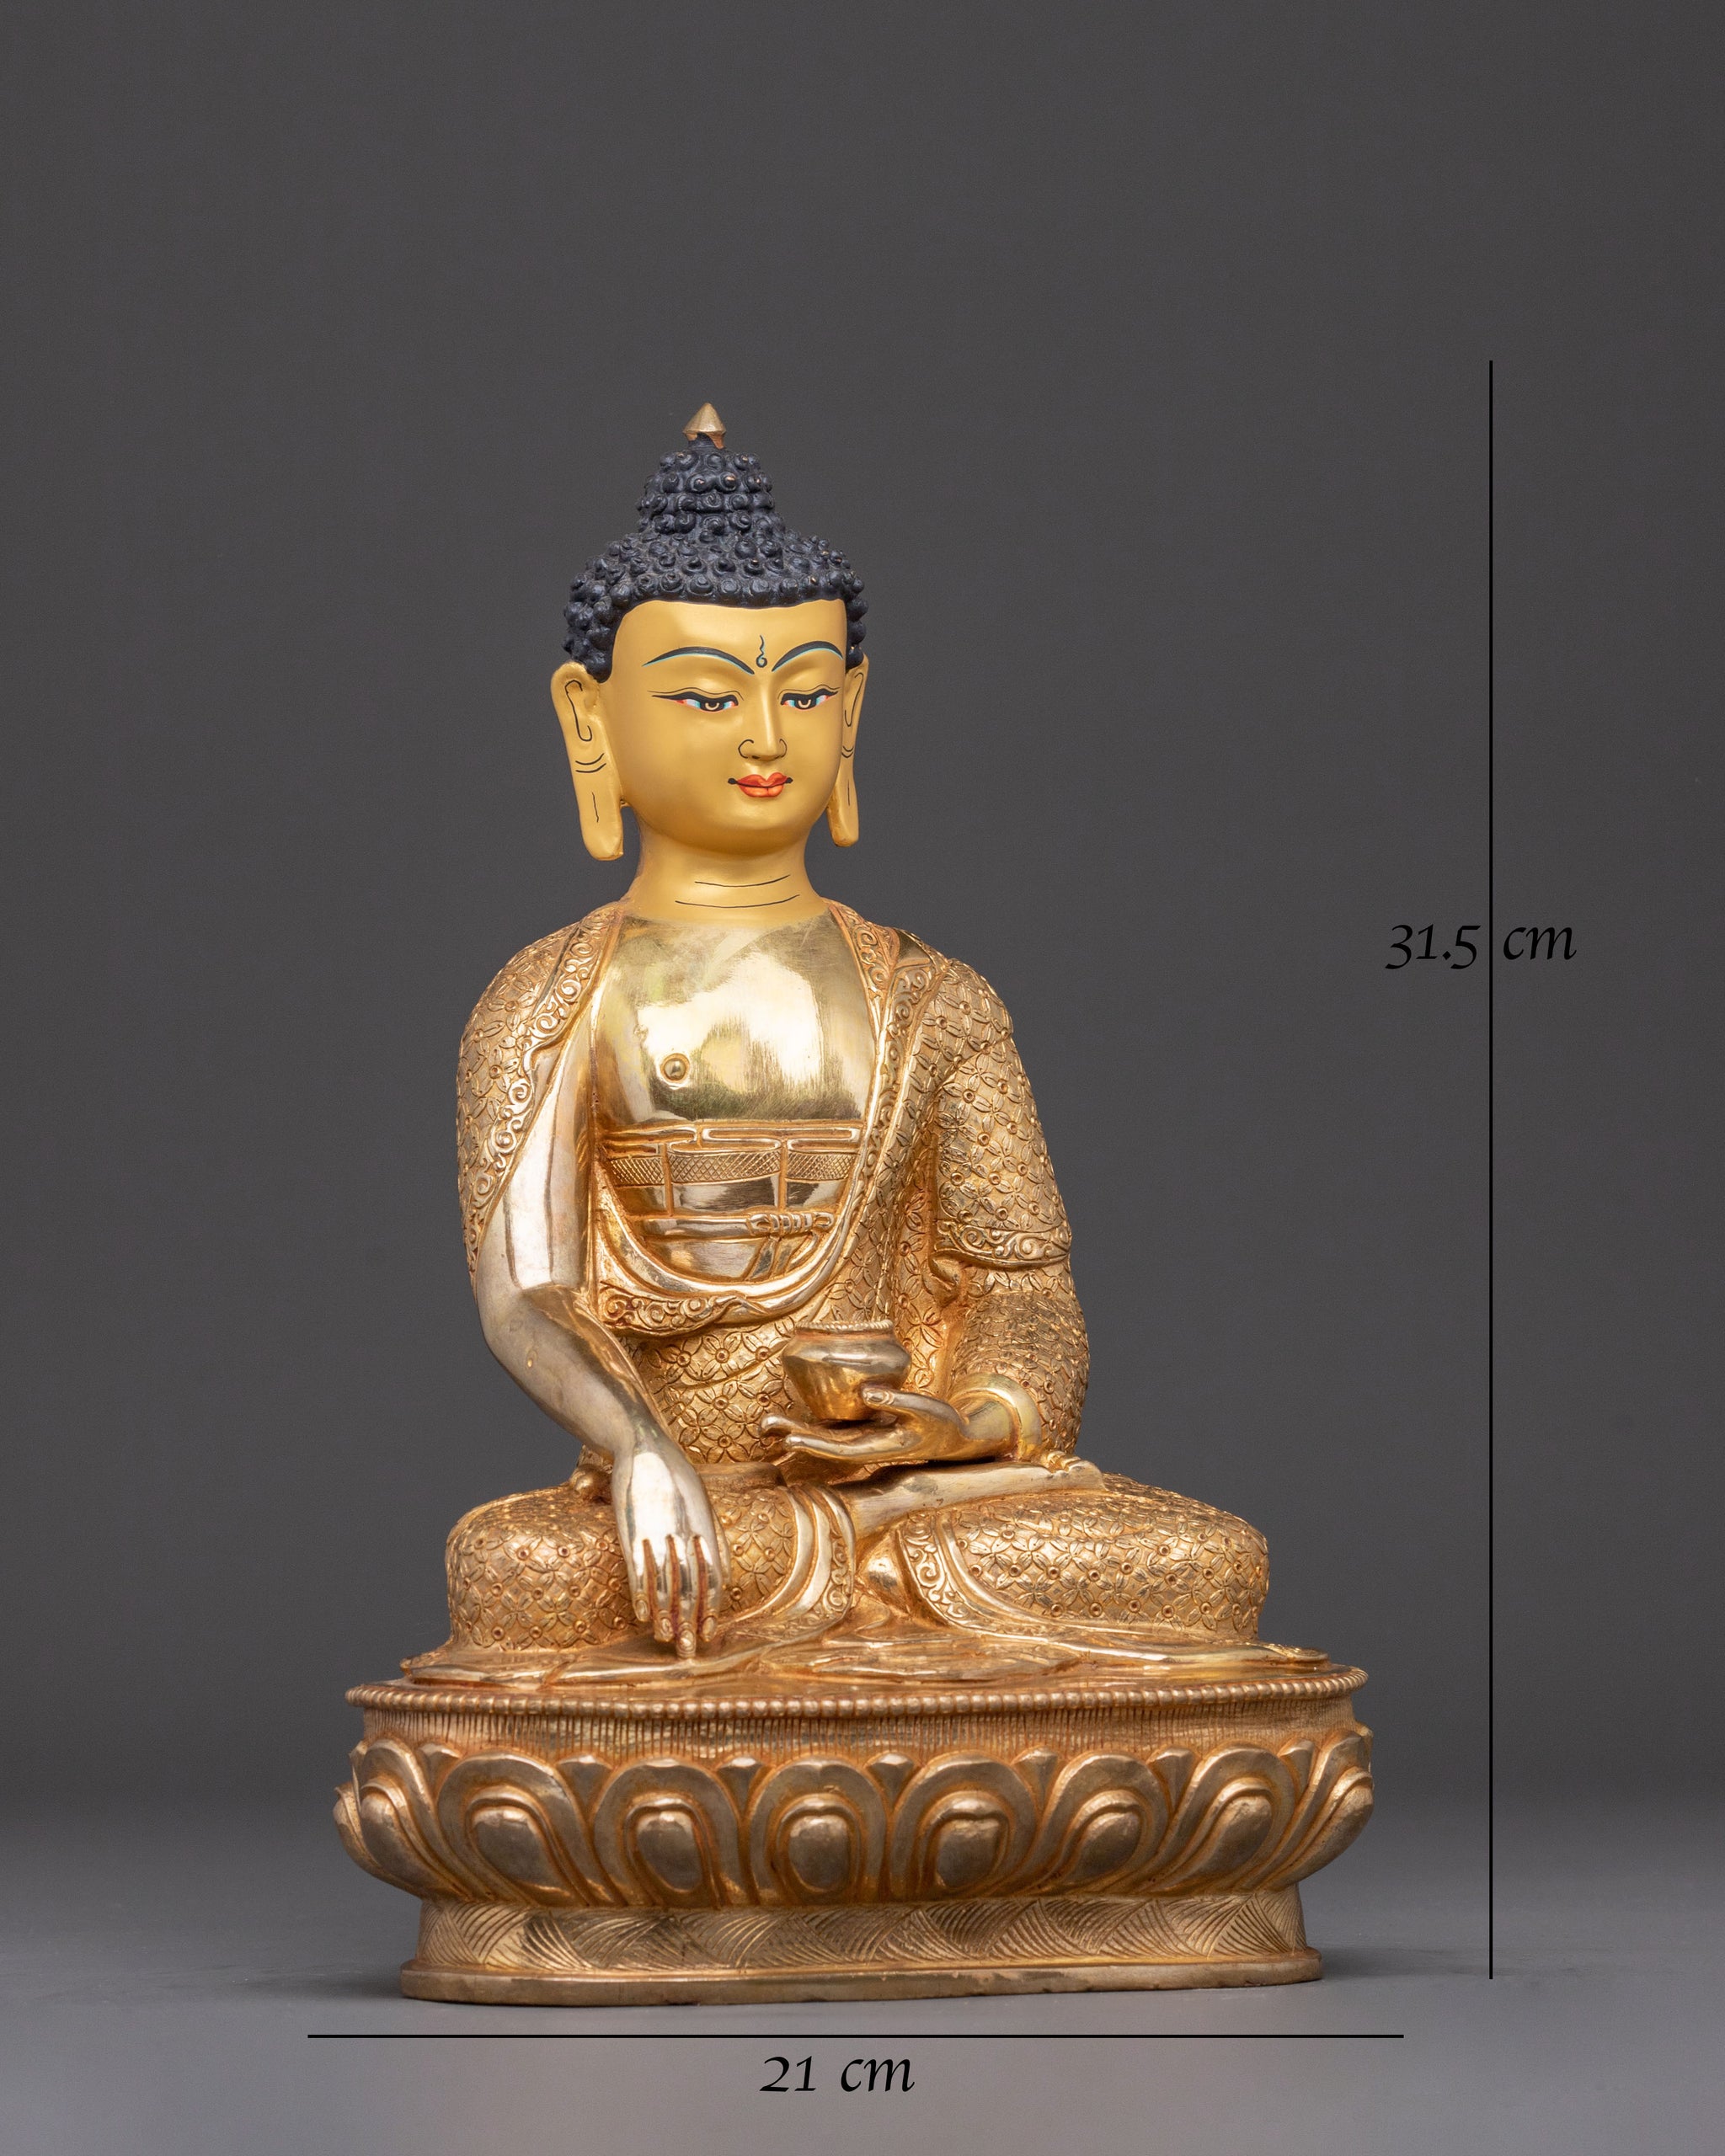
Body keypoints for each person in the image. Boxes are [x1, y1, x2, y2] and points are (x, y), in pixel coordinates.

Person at [422, 409, 1270, 1683]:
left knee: (1207, 1564)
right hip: (687, 1497)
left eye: (807, 692)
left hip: (907, 1499)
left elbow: (1024, 1295)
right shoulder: (551, 996)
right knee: (523, 1574)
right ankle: (875, 1642)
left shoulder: (938, 1000)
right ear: (591, 721)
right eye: (708, 696)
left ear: (853, 710)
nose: (767, 736)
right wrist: (642, 1447)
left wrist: (964, 1424)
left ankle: (859, 1621)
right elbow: (527, 1294)